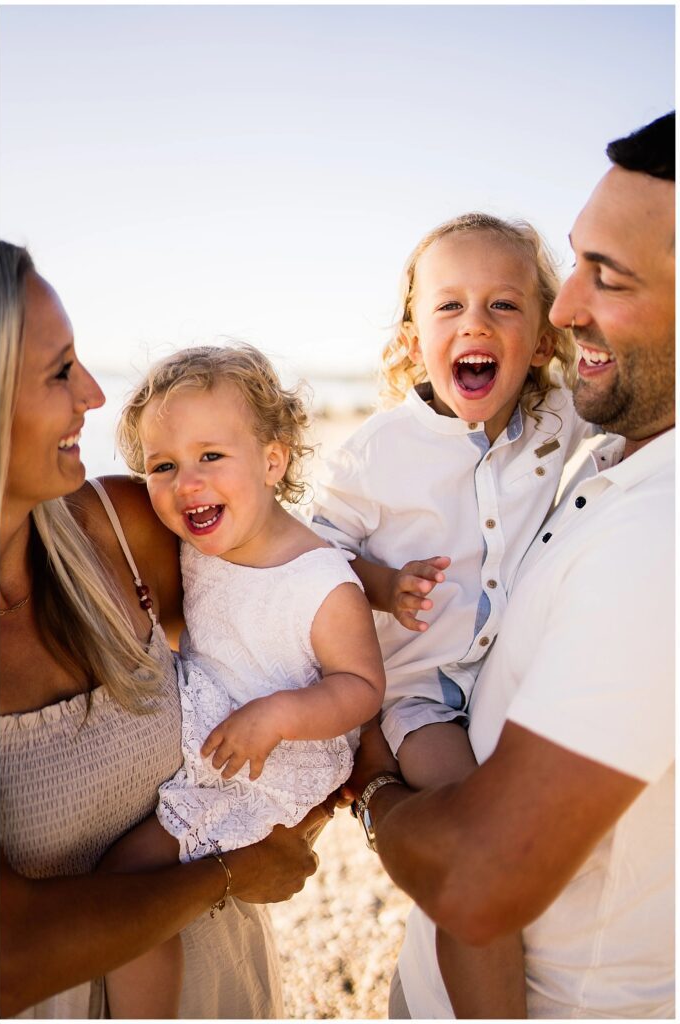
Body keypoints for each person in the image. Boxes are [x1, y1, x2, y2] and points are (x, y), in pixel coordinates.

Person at [344, 110, 675, 1018]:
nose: (568, 307)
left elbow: (479, 881)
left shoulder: (659, 531)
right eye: (575, 266)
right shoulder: (611, 447)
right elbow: (316, 544)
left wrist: (371, 783)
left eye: (605, 277)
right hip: (425, 978)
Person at [0, 242, 331, 1019]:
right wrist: (229, 874)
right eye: (58, 372)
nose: (91, 394)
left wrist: (354, 770)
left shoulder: (124, 530)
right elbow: (4, 959)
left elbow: (296, 611)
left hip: (218, 991)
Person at [311, 211, 594, 1016]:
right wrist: (377, 580)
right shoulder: (378, 449)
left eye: (505, 306)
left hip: (514, 673)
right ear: (411, 337)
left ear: (542, 339)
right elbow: (314, 554)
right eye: (450, 306)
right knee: (472, 851)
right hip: (423, 692)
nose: (476, 322)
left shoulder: (554, 419)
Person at [96, 344, 386, 1017]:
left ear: (273, 461)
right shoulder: (204, 547)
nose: (185, 482)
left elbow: (361, 687)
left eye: (210, 457)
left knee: (129, 879)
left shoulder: (319, 581)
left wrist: (281, 714)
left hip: (271, 755)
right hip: (214, 714)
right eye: (163, 466)